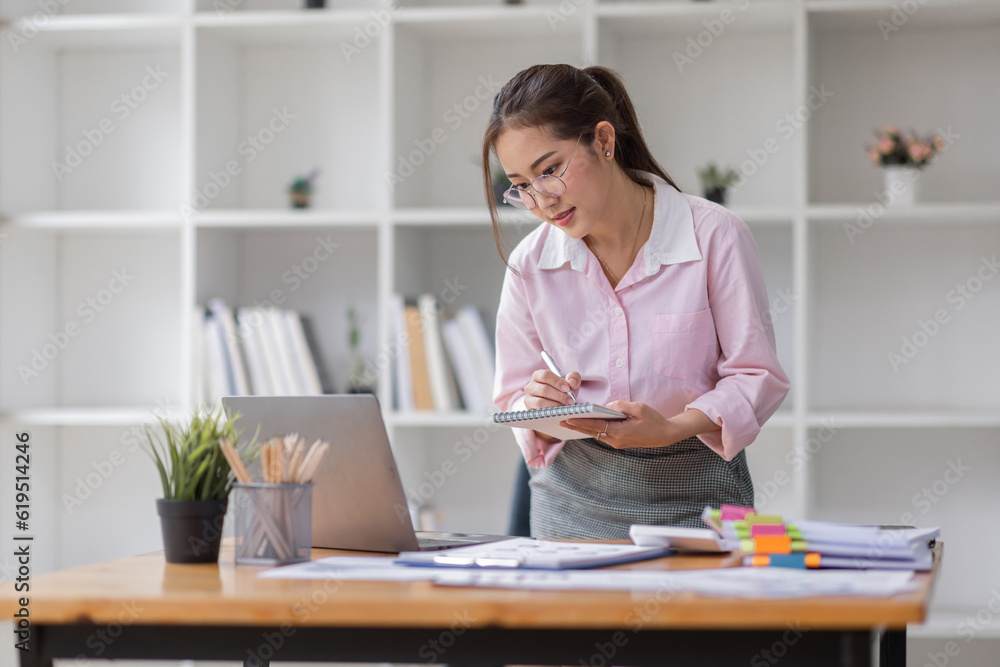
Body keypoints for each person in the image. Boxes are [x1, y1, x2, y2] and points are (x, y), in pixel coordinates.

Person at [485, 64, 791, 539]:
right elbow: (511, 396)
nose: (541, 200)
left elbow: (756, 375)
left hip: (696, 506)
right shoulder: (531, 264)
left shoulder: (714, 237)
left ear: (604, 141)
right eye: (522, 185)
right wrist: (537, 404)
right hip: (570, 510)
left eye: (550, 170)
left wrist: (671, 428)